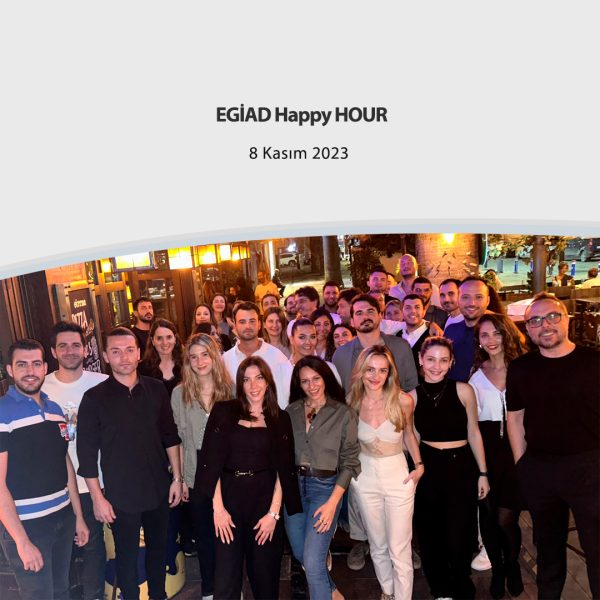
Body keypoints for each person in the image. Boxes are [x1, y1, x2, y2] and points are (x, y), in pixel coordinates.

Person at [77, 327, 182, 600]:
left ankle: (158, 596)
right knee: (126, 557)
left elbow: (170, 436)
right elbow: (86, 455)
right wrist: (98, 498)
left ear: (138, 354)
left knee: (159, 551)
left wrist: (177, 479)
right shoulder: (94, 398)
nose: (123, 357)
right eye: (116, 351)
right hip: (120, 494)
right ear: (105, 356)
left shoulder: (156, 389)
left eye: (129, 350)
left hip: (158, 487)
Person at [507, 292, 599, 600]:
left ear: (566, 320)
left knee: (597, 549)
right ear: (528, 329)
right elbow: (515, 417)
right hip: (540, 469)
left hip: (590, 468)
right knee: (547, 549)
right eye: (535, 321)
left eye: (552, 317)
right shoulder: (520, 368)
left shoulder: (594, 362)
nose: (544, 325)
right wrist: (522, 464)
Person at [195, 357, 302, 600]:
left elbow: (284, 470)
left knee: (265, 578)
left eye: (259, 378)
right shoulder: (223, 411)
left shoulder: (280, 418)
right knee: (225, 580)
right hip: (228, 500)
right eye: (246, 379)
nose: (253, 386)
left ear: (268, 382)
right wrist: (218, 509)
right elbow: (211, 462)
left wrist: (273, 514)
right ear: (240, 384)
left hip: (264, 502)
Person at [0, 338, 89, 600]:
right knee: (39, 595)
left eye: (36, 364)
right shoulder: (3, 413)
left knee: (62, 591)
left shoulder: (55, 410)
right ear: (10, 369)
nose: (30, 371)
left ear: (45, 367)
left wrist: (78, 516)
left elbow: (65, 462)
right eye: (22, 365)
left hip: (62, 516)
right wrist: (21, 541)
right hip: (27, 524)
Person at [411, 337, 490, 600]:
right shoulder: (411, 397)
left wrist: (483, 473)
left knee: (460, 532)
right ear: (421, 360)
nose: (437, 366)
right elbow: (412, 439)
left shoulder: (464, 390)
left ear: (451, 362)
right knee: (430, 532)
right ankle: (440, 589)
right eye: (431, 359)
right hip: (428, 466)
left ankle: (462, 586)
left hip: (461, 466)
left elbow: (474, 432)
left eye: (443, 360)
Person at [348, 346, 424, 600]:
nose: (376, 376)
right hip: (365, 478)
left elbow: (409, 434)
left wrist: (419, 466)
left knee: (399, 548)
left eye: (382, 370)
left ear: (390, 372)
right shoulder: (352, 402)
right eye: (370, 369)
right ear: (361, 370)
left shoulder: (403, 401)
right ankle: (387, 593)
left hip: (398, 477)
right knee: (377, 544)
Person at [42, 322, 108, 600]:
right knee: (62, 552)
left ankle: (94, 596)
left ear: (85, 349)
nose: (70, 351)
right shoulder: (41, 387)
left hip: (98, 481)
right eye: (63, 346)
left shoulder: (102, 382)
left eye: (75, 345)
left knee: (94, 547)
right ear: (53, 352)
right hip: (57, 485)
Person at [285, 356, 361, 600]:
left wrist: (332, 504)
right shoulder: (290, 412)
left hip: (325, 489)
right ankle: (332, 592)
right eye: (305, 381)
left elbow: (350, 462)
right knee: (301, 553)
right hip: (293, 489)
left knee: (312, 561)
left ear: (326, 378)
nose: (312, 385)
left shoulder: (343, 413)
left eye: (316, 378)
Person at [171, 333, 234, 600]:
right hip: (196, 471)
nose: (200, 362)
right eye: (193, 357)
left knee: (229, 535)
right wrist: (181, 478)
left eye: (205, 355)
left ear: (214, 356)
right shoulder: (179, 394)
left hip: (229, 472)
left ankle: (230, 588)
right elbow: (179, 440)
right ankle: (209, 588)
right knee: (205, 534)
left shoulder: (231, 390)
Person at [468, 313, 527, 599]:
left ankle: (512, 564)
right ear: (478, 341)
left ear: (507, 334)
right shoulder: (476, 375)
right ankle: (499, 570)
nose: (491, 340)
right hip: (486, 452)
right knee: (489, 518)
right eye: (484, 335)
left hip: (517, 451)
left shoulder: (523, 367)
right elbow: (472, 423)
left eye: (496, 333)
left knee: (507, 518)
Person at [222, 301, 290, 408]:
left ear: (259, 324)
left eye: (252, 321)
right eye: (242, 322)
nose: (248, 326)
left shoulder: (278, 357)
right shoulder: (225, 360)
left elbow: (287, 396)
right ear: (234, 325)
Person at [445, 276, 491, 382]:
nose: (472, 303)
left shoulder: (497, 334)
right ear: (458, 299)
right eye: (465, 297)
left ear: (488, 300)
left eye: (478, 297)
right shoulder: (451, 330)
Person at [395, 294, 443, 368]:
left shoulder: (433, 336)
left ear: (424, 312)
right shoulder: (398, 336)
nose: (413, 311)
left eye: (417, 307)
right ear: (402, 312)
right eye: (408, 308)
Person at [139, 318, 183, 396]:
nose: (165, 342)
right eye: (159, 338)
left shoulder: (186, 363)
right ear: (152, 341)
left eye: (169, 337)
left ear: (175, 339)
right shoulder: (142, 369)